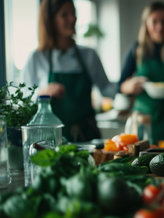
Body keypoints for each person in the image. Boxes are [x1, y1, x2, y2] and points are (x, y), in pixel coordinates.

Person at [21, 0, 115, 142]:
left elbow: (107, 90)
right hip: (52, 140)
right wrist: (42, 93)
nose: (73, 19)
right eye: (64, 15)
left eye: (73, 13)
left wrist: (126, 88)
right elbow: (23, 101)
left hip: (87, 138)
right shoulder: (37, 57)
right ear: (50, 21)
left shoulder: (89, 55)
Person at [119, 1, 164, 144]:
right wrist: (129, 86)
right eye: (155, 22)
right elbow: (120, 85)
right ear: (146, 24)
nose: (160, 27)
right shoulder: (136, 50)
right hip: (143, 119)